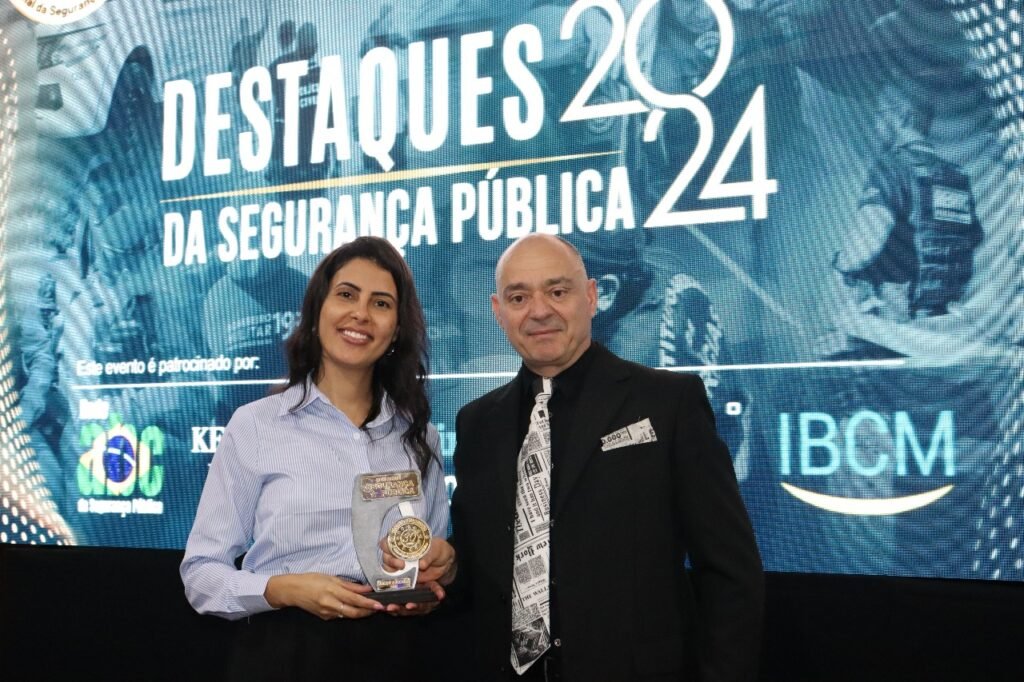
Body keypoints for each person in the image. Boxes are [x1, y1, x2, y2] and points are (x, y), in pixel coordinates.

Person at [447, 234, 764, 681]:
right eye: (519, 298)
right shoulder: (477, 424)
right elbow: (478, 569)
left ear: (592, 296)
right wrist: (437, 569)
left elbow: (730, 573)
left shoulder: (668, 403)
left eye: (558, 292)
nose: (539, 311)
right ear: (498, 311)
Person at [180, 237, 456, 681]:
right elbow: (201, 577)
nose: (360, 314)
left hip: (397, 655)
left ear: (396, 330)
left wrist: (438, 570)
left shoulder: (419, 436)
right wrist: (283, 589)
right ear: (316, 312)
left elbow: (431, 561)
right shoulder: (256, 425)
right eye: (346, 295)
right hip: (285, 653)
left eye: (381, 303)